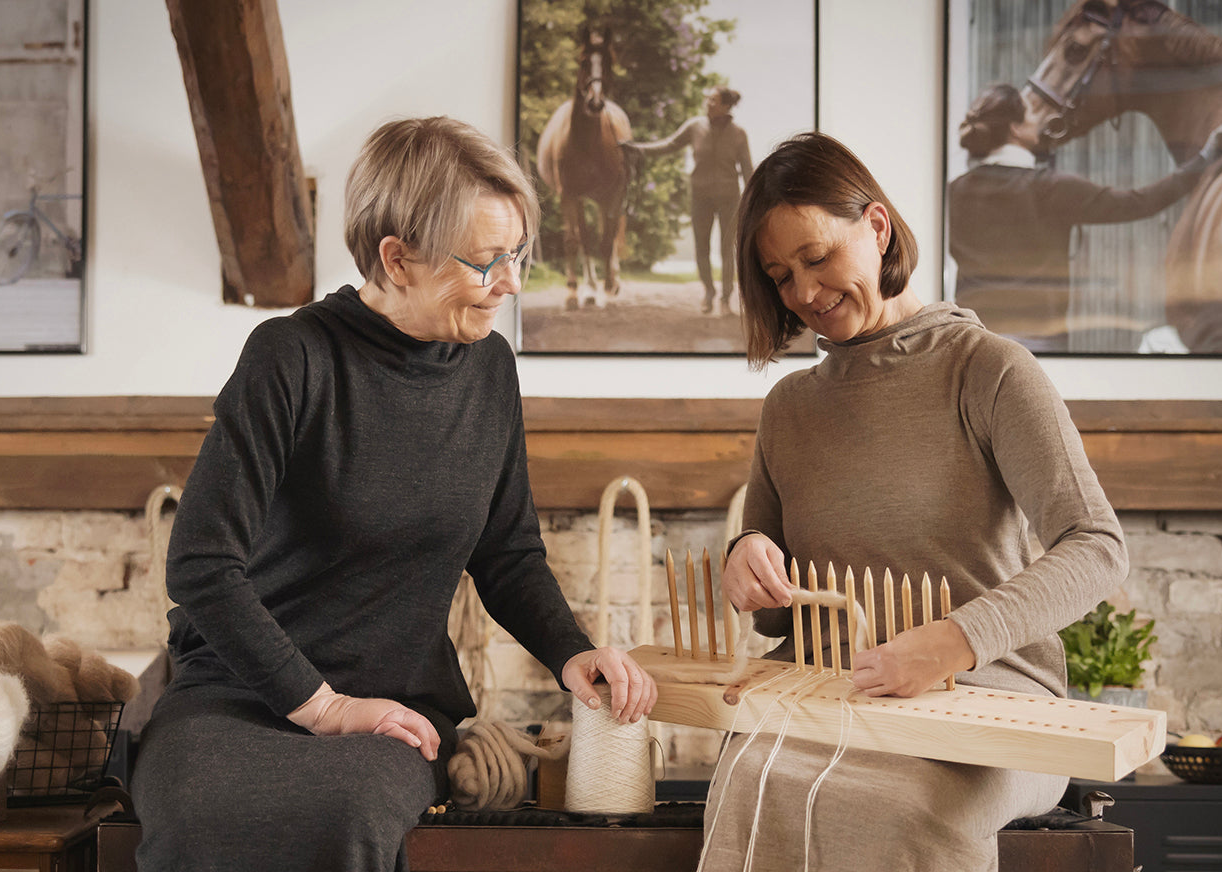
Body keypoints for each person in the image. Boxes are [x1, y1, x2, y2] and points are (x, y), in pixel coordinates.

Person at [131, 116, 657, 872]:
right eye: (487, 261)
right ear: (397, 258)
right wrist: (323, 708)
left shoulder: (488, 370)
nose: (511, 283)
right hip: (241, 696)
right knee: (205, 819)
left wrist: (570, 654)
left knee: (346, 815)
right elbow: (202, 566)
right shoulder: (292, 358)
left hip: (395, 704)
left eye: (518, 254)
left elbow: (506, 552)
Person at [712, 131, 1129, 871]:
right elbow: (778, 613)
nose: (803, 294)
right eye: (780, 277)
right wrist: (748, 558)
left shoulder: (988, 370)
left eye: (816, 258)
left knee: (898, 810)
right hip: (825, 693)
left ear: (876, 228)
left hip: (991, 695)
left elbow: (1095, 547)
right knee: (744, 783)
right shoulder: (789, 407)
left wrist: (951, 641)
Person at [948, 83, 1222, 352]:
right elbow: (1139, 202)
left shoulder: (953, 192)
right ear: (1015, 128)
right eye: (1032, 113)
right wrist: (1205, 157)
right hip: (1037, 343)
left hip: (971, 339)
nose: (1040, 119)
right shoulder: (1052, 187)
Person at [622, 86, 752, 315]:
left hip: (729, 198)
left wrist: (755, 201)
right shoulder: (695, 126)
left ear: (725, 106)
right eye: (708, 99)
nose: (708, 103)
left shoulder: (739, 134)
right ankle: (709, 293)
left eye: (713, 100)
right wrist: (638, 149)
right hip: (700, 196)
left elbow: (747, 170)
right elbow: (669, 144)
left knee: (727, 249)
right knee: (701, 247)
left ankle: (725, 299)